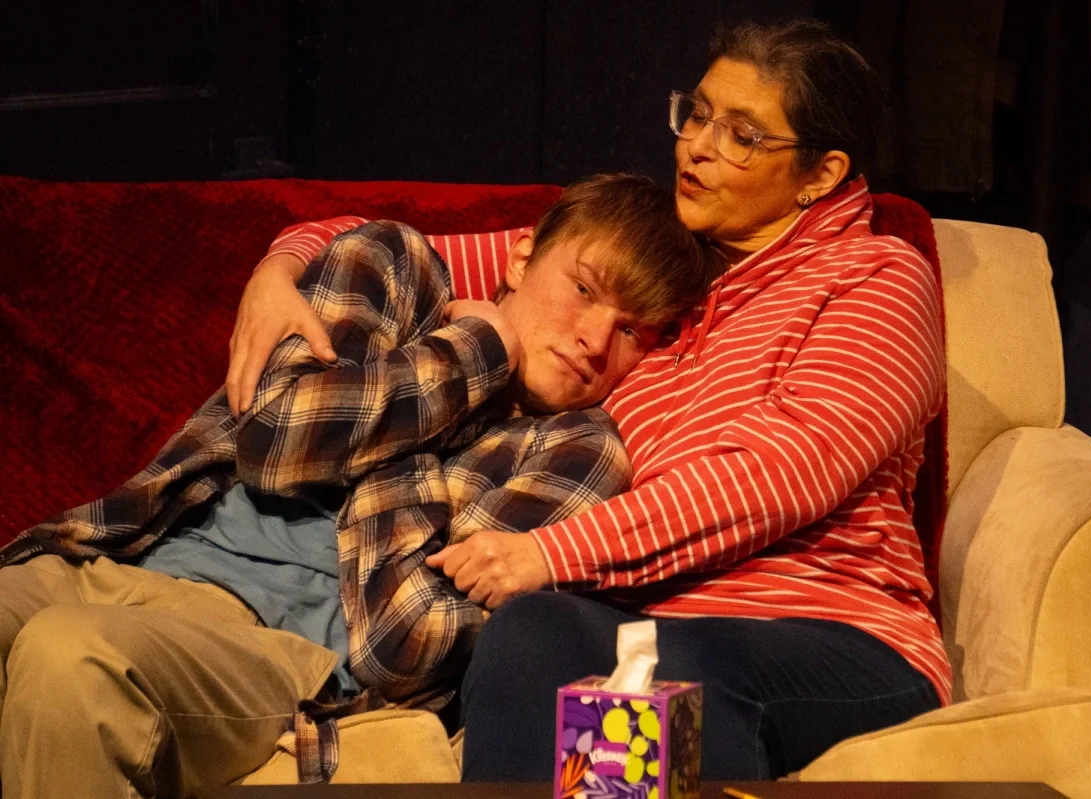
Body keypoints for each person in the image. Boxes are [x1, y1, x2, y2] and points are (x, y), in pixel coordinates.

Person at [226, 19, 951, 781]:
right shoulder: (665, 272)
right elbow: (412, 248)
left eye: (742, 135)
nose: (698, 146)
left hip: (832, 637)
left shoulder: (876, 277)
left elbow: (782, 472)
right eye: (697, 114)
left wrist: (550, 551)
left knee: (675, 670)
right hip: (646, 626)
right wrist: (279, 270)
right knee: (532, 631)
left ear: (821, 173)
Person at [0, 173, 719, 797]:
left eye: (634, 330)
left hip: (277, 651)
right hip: (133, 556)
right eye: (584, 289)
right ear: (523, 253)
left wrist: (468, 362)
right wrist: (472, 348)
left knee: (72, 656)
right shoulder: (396, 264)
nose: (595, 337)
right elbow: (274, 435)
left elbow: (406, 643)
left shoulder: (575, 450)